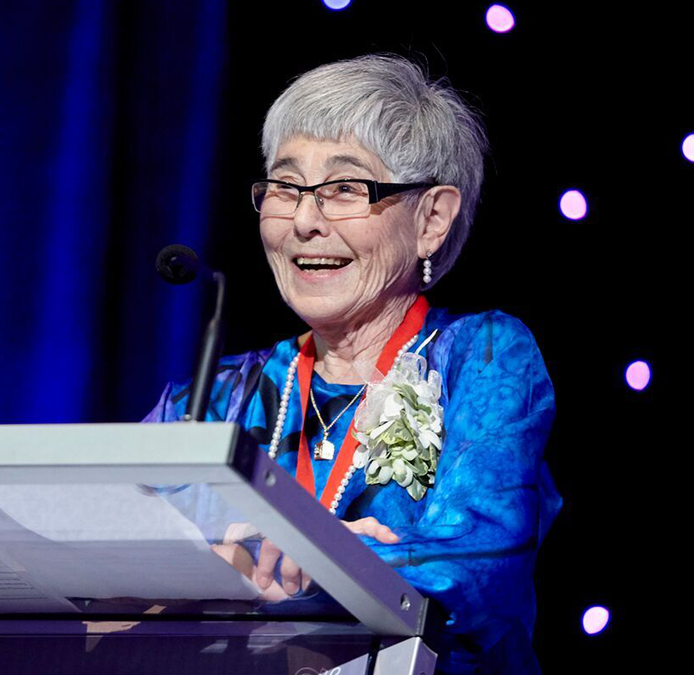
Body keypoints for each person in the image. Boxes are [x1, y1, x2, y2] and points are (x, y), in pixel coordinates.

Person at [143, 54, 561, 674]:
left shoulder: (484, 358)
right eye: (286, 187)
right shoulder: (216, 393)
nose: (305, 221)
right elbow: (101, 541)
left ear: (431, 219)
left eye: (345, 189)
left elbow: (481, 561)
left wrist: (322, 559)